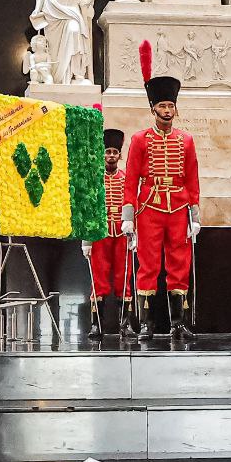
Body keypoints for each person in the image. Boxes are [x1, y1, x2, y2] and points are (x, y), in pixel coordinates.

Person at [122, 41, 201, 342]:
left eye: (170, 106)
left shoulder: (186, 140)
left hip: (179, 207)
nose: (167, 111)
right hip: (149, 208)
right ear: (153, 108)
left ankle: (178, 323)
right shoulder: (140, 140)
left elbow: (192, 179)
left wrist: (195, 215)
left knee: (179, 265)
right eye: (162, 106)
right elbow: (131, 180)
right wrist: (128, 216)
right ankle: (147, 323)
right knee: (149, 265)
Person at [82, 129, 134, 339]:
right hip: (100, 234)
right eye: (107, 152)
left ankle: (125, 324)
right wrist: (87, 240)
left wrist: (134, 235)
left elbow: (133, 206)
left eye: (114, 152)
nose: (111, 155)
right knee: (99, 280)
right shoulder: (94, 180)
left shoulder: (126, 179)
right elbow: (87, 210)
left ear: (119, 155)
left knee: (124, 279)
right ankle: (96, 325)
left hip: (121, 234)